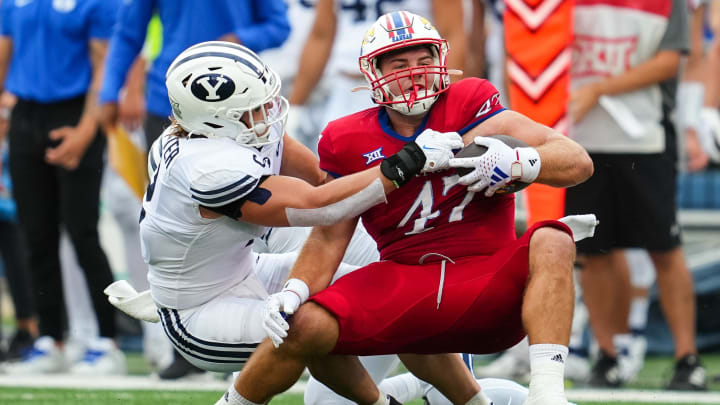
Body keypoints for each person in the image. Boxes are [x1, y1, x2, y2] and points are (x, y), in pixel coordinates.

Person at [223, 11, 593, 405]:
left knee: (553, 237)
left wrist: (522, 163)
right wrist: (295, 289)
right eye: (399, 64)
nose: (415, 73)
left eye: (423, 61)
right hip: (405, 276)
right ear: (374, 73)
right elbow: (331, 232)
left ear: (440, 62)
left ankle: (548, 395)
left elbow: (577, 162)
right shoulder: (346, 138)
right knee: (301, 325)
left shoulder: (470, 103)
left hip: (487, 274)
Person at [119, 40, 463, 379]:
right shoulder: (209, 168)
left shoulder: (237, 131)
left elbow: (322, 180)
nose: (270, 111)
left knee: (391, 294)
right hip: (201, 311)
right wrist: (407, 162)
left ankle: (456, 391)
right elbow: (319, 207)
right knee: (314, 326)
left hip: (245, 267)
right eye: (255, 106)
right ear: (218, 118)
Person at [564, 0, 706, 390]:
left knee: (664, 247)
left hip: (644, 137)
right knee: (592, 251)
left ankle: (687, 359)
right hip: (580, 141)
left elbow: (671, 60)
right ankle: (607, 355)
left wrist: (599, 89)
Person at [0, 0, 126, 375]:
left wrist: (86, 131)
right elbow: (5, 50)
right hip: (26, 116)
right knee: (35, 235)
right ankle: (49, 339)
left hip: (76, 115)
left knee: (82, 232)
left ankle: (107, 341)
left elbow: (104, 63)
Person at [98, 0, 291, 150]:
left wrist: (240, 39)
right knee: (168, 198)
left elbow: (279, 26)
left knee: (234, 198)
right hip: (168, 106)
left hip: (236, 110)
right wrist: (109, 93)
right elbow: (128, 35)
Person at [286, 0, 466, 152]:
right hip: (349, 87)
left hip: (409, 88)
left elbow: (452, 33)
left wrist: (448, 99)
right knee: (340, 177)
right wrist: (295, 105)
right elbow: (321, 34)